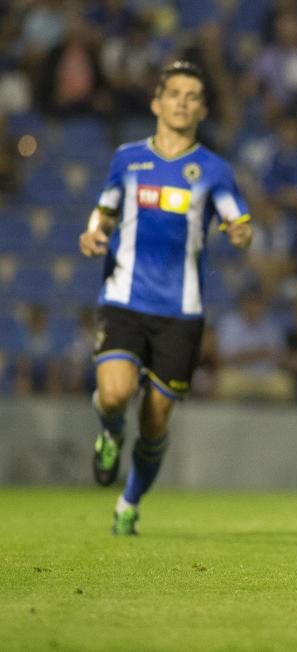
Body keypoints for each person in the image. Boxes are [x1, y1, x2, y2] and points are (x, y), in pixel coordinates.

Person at [78, 61, 252, 536]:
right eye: (173, 93)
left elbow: (239, 220)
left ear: (202, 108)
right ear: (156, 102)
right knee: (114, 394)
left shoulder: (213, 170)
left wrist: (241, 233)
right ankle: (110, 434)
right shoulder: (127, 159)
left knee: (155, 422)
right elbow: (104, 212)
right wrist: (93, 233)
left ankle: (128, 503)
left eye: (192, 95)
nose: (182, 101)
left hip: (181, 312)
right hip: (124, 299)